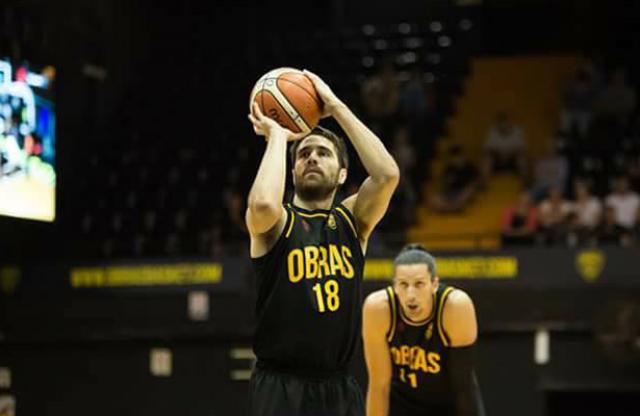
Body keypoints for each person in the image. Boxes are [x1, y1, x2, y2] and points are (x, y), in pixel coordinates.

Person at [246, 70, 400, 416]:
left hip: (338, 386)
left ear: (343, 174)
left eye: (324, 153)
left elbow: (388, 175)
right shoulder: (278, 224)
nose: (312, 158)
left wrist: (336, 106)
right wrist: (278, 136)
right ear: (292, 171)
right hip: (280, 387)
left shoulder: (352, 221)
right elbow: (263, 204)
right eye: (303, 154)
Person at [362, 244, 485, 416]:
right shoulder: (378, 308)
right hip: (401, 406)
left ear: (434, 284)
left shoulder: (455, 307)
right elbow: (379, 386)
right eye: (403, 284)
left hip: (446, 407)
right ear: (394, 286)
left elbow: (463, 387)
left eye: (419, 284)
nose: (411, 295)